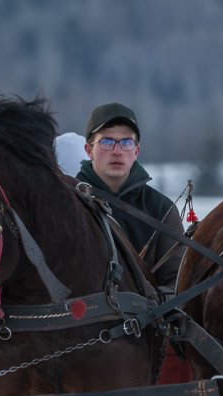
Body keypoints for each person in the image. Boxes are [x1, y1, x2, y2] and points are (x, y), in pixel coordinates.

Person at [75, 102, 183, 292]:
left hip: (145, 319)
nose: (117, 151)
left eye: (126, 142)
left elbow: (177, 283)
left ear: (136, 151)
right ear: (89, 150)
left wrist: (149, 304)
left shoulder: (161, 210)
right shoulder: (69, 202)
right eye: (107, 142)